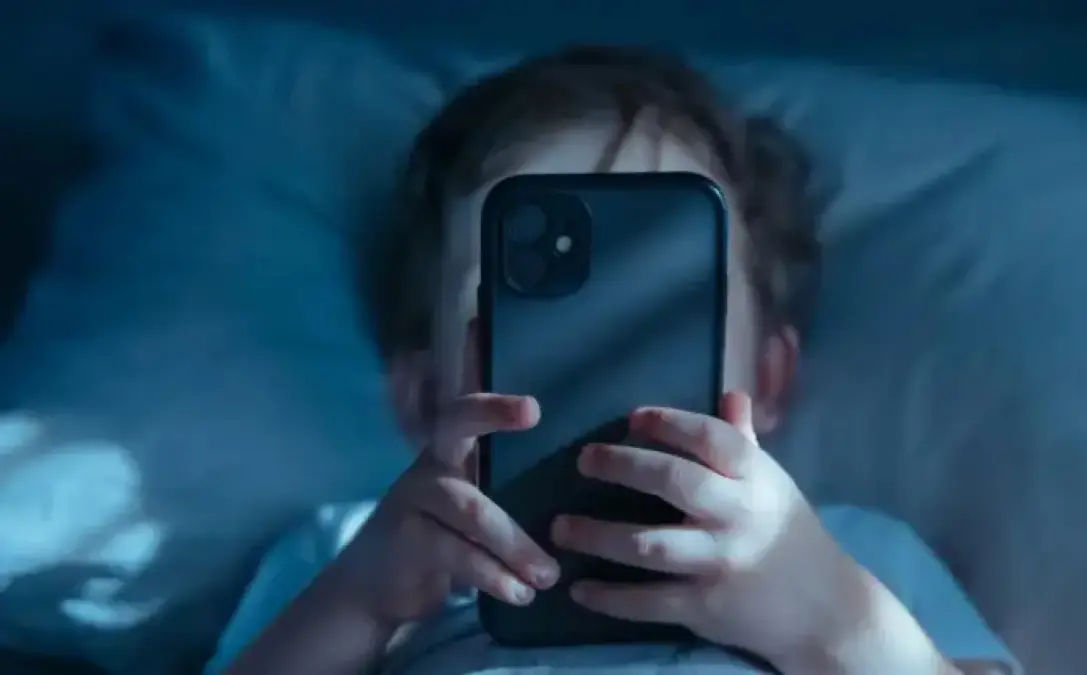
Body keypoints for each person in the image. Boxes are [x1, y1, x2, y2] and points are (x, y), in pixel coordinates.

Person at [209, 46, 1020, 675]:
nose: (600, 348)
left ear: (768, 379)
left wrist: (824, 616)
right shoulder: (354, 548)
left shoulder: (848, 552)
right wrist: (362, 601)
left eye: (670, 307)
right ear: (422, 395)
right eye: (524, 306)